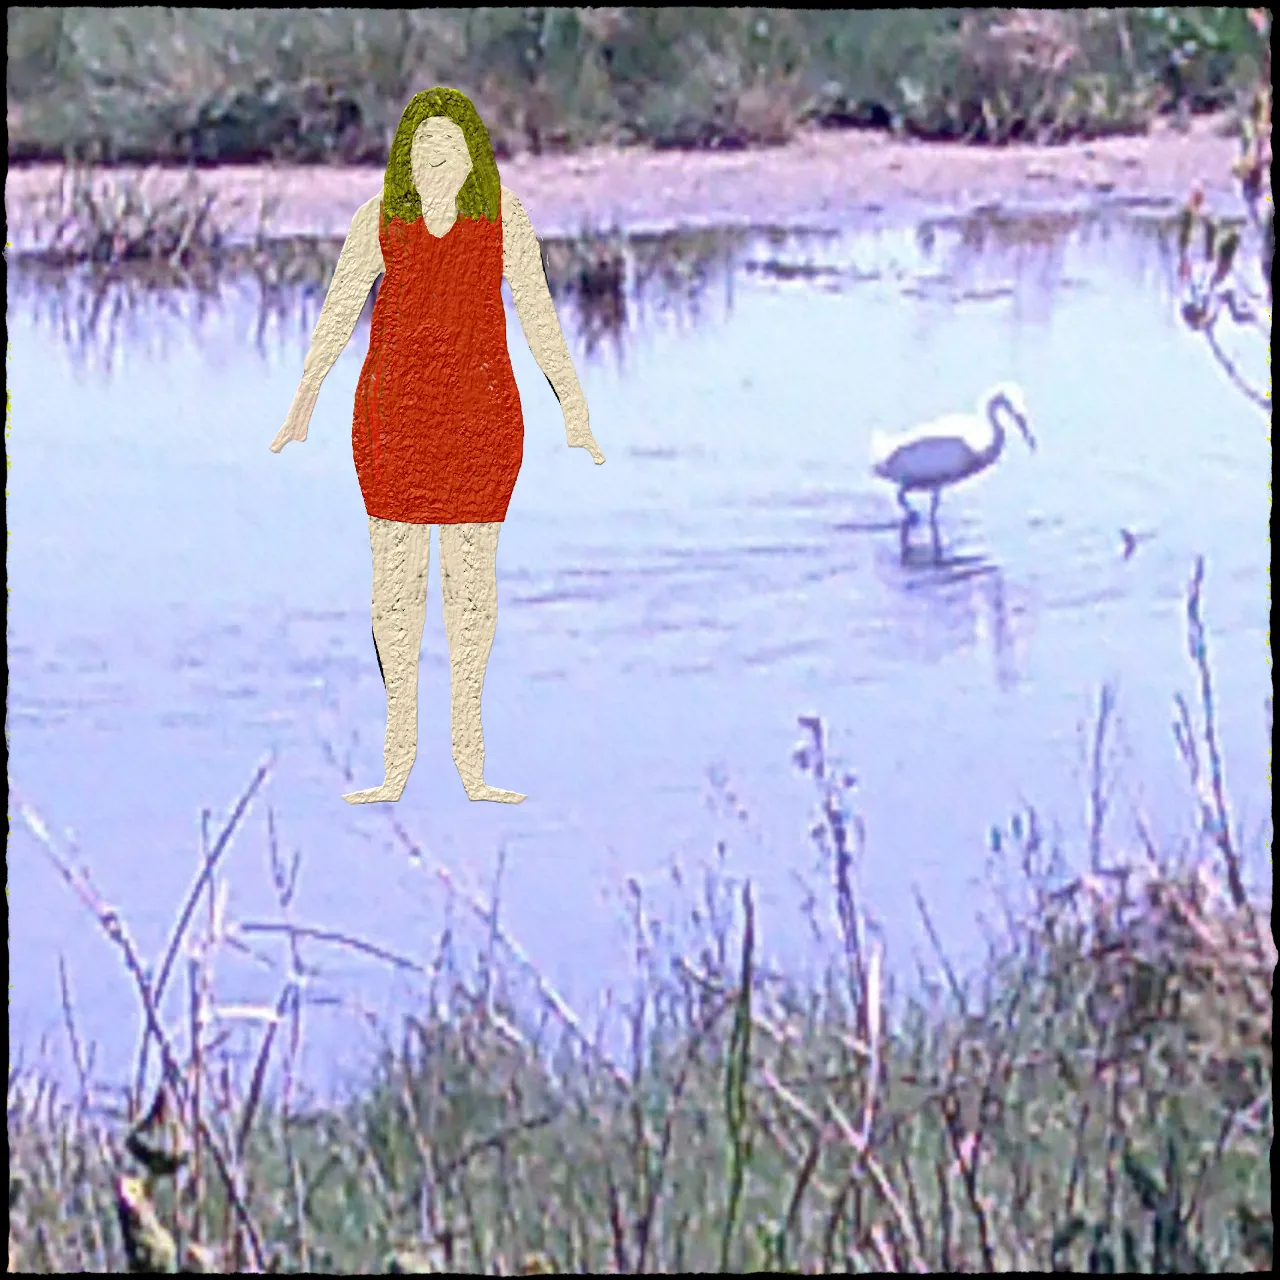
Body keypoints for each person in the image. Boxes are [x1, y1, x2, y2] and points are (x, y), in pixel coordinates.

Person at [270, 87, 604, 804]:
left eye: (450, 151)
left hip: (482, 420)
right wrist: (303, 403)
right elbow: (335, 316)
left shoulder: (505, 222)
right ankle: (395, 762)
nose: (437, 164)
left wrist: (572, 406)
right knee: (395, 588)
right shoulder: (377, 224)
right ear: (406, 161)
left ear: (472, 158)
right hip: (395, 418)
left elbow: (541, 317)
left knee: (471, 590)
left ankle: (470, 763)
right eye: (424, 152)